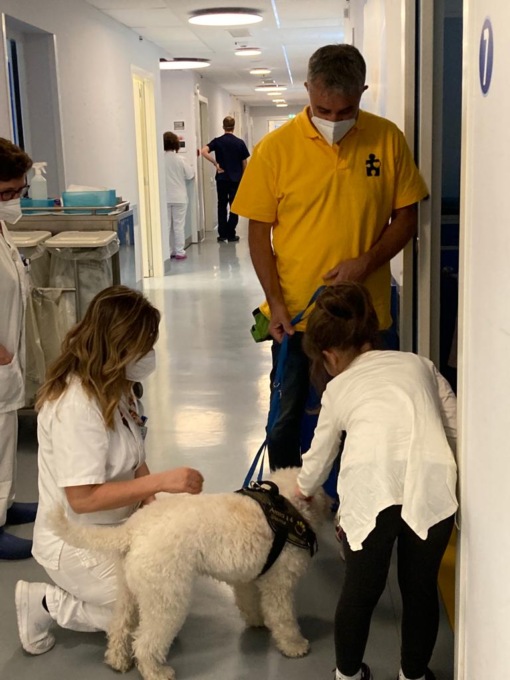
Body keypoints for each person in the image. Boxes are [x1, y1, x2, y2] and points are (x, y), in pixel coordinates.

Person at [232, 44, 429, 471]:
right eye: (324, 110)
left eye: (346, 111)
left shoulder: (387, 139)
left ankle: (357, 503)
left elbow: (407, 217)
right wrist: (276, 302)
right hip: (297, 318)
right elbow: (258, 233)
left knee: (369, 423)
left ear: (363, 93)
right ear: (307, 89)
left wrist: (366, 262)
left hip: (366, 318)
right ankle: (284, 500)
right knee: (284, 424)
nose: (334, 120)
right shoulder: (274, 150)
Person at [15, 285, 204, 655]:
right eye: (144, 347)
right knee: (152, 612)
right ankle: (46, 604)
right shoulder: (76, 406)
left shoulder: (117, 387)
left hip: (118, 525)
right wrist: (163, 482)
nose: (150, 356)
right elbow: (82, 500)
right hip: (75, 538)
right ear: (120, 348)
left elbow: (134, 459)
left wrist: (154, 509)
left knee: (171, 586)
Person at [295, 283, 458, 680]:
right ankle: (414, 674)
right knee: (420, 589)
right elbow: (455, 426)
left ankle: (348, 674)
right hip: (431, 482)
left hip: (370, 491)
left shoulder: (338, 387)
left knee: (360, 591)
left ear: (329, 354)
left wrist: (303, 488)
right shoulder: (419, 364)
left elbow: (320, 455)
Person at [0, 137, 39, 560]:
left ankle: (5, 504)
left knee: (5, 434)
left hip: (8, 354)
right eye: (6, 193)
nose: (13, 200)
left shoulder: (1, 226)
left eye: (18, 191)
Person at [201, 115, 250, 243]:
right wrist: (244, 179)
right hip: (236, 179)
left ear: (223, 127)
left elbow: (203, 151)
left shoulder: (217, 141)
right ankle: (231, 233)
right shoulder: (239, 143)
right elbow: (244, 163)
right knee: (235, 206)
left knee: (221, 205)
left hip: (222, 178)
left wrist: (215, 163)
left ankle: (222, 234)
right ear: (234, 127)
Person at [163, 131, 195, 260]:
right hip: (179, 197)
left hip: (164, 198)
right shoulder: (181, 160)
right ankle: (180, 252)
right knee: (178, 226)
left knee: (166, 226)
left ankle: (167, 251)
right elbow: (190, 175)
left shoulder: (159, 160)